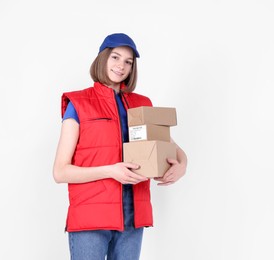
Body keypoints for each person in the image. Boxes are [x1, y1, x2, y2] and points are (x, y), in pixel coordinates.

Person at [53, 33, 187, 260]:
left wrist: (182, 165)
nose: (121, 66)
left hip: (132, 216)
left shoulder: (141, 104)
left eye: (128, 61)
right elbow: (60, 171)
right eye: (115, 57)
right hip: (91, 217)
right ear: (102, 58)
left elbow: (172, 147)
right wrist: (110, 171)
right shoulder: (78, 104)